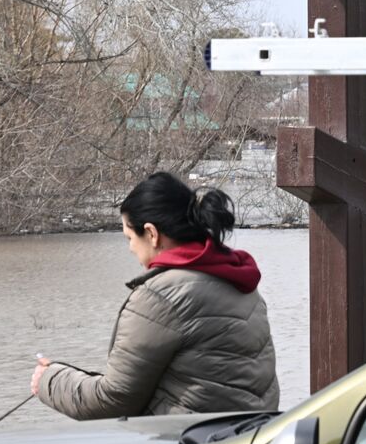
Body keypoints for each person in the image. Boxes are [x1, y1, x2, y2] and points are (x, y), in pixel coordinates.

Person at [32, 172, 280, 419]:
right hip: (250, 438)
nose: (130, 248)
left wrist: (50, 380)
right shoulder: (241, 282)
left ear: (151, 233)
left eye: (129, 237)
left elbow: (112, 400)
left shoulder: (161, 297)